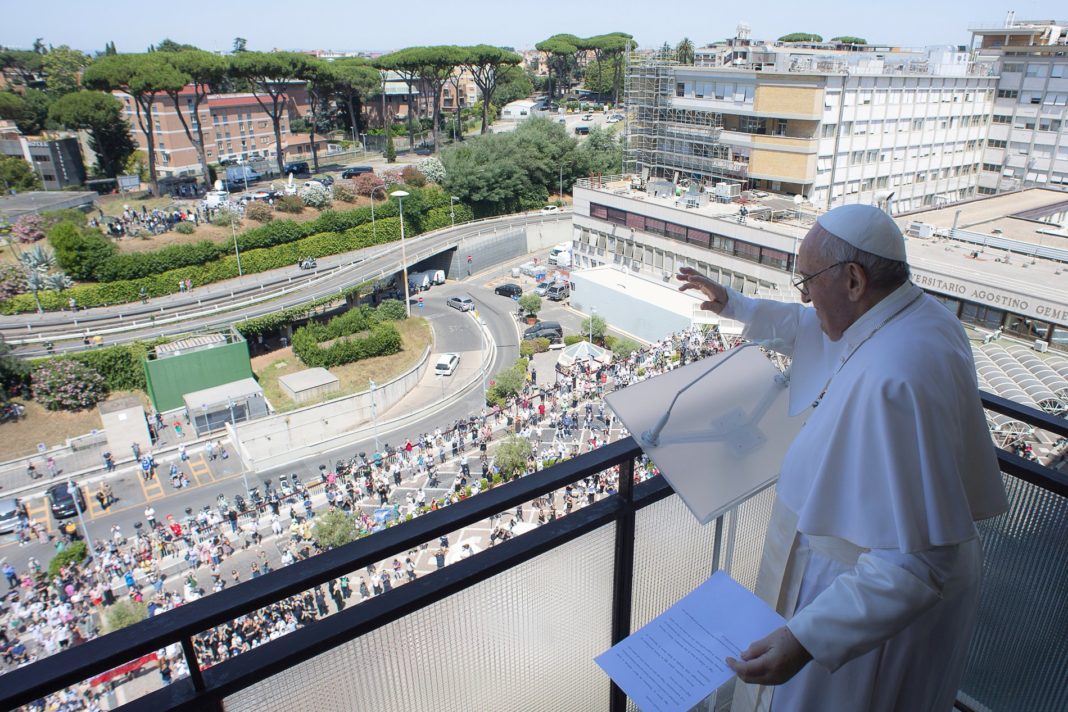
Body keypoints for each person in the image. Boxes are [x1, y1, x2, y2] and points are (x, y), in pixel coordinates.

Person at [677, 203, 1008, 711]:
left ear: (853, 279)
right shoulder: (906, 316)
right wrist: (736, 305)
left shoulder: (900, 373)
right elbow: (816, 329)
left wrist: (808, 638)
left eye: (808, 282)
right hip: (860, 582)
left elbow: (918, 561)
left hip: (859, 602)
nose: (805, 297)